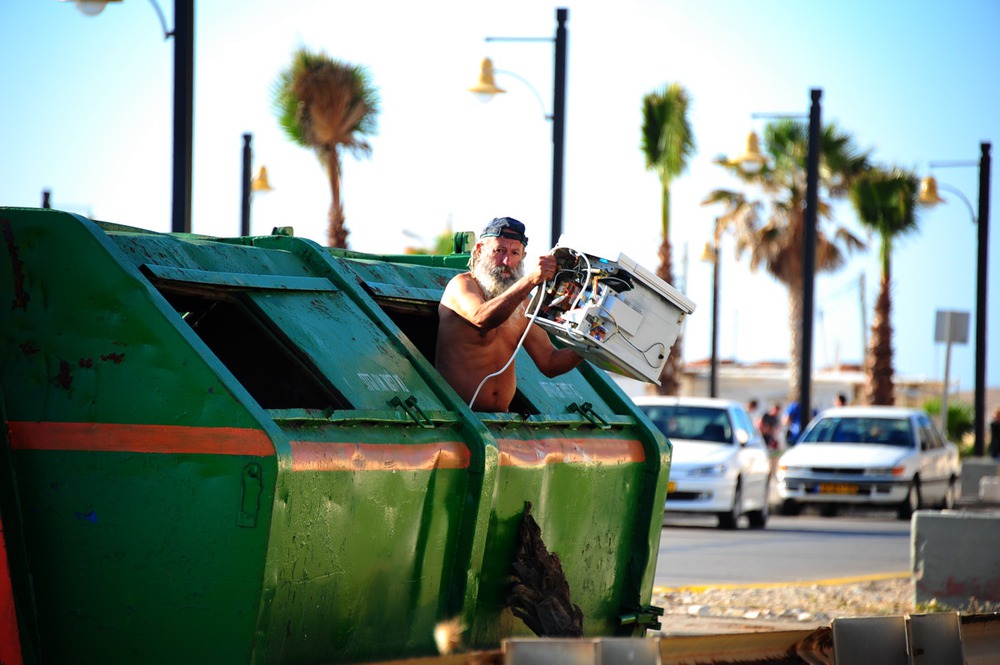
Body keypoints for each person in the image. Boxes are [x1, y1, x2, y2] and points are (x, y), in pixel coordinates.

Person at [435, 217, 584, 412]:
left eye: (515, 253)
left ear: (523, 256)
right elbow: (482, 319)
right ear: (480, 250)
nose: (507, 261)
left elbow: (549, 362)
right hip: (459, 420)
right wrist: (530, 281)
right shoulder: (462, 285)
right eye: (499, 251)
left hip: (502, 422)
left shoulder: (523, 303)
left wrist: (592, 345)